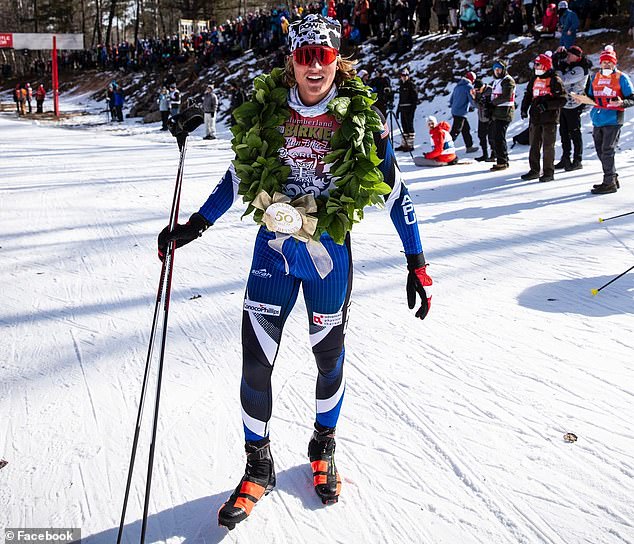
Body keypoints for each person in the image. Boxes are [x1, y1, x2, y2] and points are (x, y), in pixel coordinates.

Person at [157, 14, 432, 529]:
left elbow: (397, 192)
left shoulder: (363, 119)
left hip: (328, 259)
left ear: (336, 60)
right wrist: (193, 226)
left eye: (322, 57)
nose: (313, 68)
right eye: (303, 57)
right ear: (291, 60)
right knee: (256, 361)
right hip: (273, 257)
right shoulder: (268, 112)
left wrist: (416, 261)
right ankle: (256, 466)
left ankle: (323, 445)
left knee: (329, 358)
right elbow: (237, 176)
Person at [573, 45, 634, 194]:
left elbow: (632, 98)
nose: (607, 64)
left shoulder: (621, 77)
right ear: (600, 63)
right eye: (604, 62)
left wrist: (622, 103)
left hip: (613, 119)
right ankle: (612, 177)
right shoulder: (595, 77)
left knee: (607, 151)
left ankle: (609, 183)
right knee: (601, 151)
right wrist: (581, 100)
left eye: (610, 62)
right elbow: (591, 97)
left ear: (614, 63)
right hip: (597, 119)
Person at [520, 52, 566, 182]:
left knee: (548, 146)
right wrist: (524, 108)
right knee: (534, 145)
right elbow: (528, 94)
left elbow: (562, 100)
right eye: (535, 65)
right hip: (535, 117)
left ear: (546, 66)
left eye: (538, 65)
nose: (536, 67)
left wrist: (547, 105)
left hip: (549, 119)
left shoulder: (555, 80)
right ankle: (534, 170)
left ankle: (548, 172)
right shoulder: (534, 78)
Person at [554, 45, 590, 170]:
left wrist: (558, 66)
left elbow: (562, 79)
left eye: (570, 55)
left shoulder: (581, 68)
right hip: (565, 102)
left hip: (575, 104)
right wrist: (557, 57)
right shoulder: (569, 64)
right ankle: (565, 158)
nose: (567, 56)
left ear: (577, 56)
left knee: (574, 132)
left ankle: (577, 159)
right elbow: (557, 70)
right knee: (563, 132)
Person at [489, 60, 516, 171]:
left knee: (499, 137)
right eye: (495, 70)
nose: (497, 71)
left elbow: (506, 96)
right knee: (495, 136)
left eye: (499, 69)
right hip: (498, 112)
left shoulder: (508, 81)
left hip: (505, 112)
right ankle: (501, 159)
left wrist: (492, 103)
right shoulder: (497, 81)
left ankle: (502, 161)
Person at [449, 70, 478, 153]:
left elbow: (451, 100)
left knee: (466, 129)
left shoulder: (457, 86)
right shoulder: (469, 87)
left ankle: (469, 146)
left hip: (455, 111)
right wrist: (479, 106)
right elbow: (472, 101)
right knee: (456, 130)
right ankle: (444, 147)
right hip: (461, 112)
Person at [472, 79, 495, 161]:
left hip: (490, 117)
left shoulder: (491, 91)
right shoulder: (478, 93)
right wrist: (474, 98)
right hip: (481, 117)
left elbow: (492, 104)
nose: (477, 91)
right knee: (481, 136)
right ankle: (484, 154)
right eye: (476, 90)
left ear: (483, 86)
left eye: (478, 89)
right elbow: (478, 106)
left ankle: (493, 154)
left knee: (491, 137)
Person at [396, 67, 418, 151]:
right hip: (402, 108)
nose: (404, 77)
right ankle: (404, 144)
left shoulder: (411, 85)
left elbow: (415, 98)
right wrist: (398, 110)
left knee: (410, 126)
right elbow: (400, 99)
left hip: (409, 108)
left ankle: (410, 145)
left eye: (406, 75)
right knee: (404, 126)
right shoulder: (401, 85)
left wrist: (413, 108)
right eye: (402, 75)